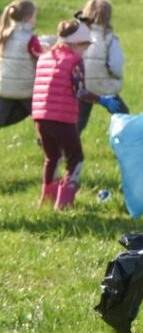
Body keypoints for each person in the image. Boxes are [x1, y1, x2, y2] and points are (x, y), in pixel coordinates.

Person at [32, 19, 95, 210]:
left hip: (41, 117)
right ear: (75, 44)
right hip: (62, 118)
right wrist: (101, 99)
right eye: (84, 47)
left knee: (52, 157)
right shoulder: (75, 61)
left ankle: (47, 198)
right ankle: (64, 203)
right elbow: (80, 91)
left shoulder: (44, 57)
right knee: (75, 157)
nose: (84, 51)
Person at [77, 0, 127, 132]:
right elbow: (115, 65)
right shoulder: (109, 38)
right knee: (124, 116)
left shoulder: (79, 36)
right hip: (104, 87)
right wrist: (117, 77)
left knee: (78, 121)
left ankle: (62, 147)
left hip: (82, 87)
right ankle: (131, 142)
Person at [0, 0, 43, 128]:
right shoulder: (30, 39)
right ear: (28, 18)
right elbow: (40, 59)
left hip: (4, 88)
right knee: (43, 119)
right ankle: (47, 142)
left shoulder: (4, 35)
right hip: (26, 90)